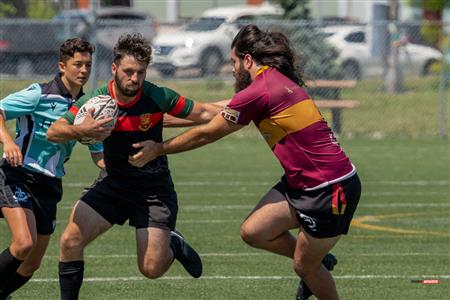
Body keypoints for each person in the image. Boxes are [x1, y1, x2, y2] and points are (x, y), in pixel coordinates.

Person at [141, 24, 362, 300]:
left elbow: (208, 133)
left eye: (234, 62)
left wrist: (158, 149)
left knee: (304, 266)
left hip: (330, 189)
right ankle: (318, 263)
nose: (232, 69)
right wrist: (140, 122)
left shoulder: (261, 91)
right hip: (303, 183)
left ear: (247, 60)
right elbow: (211, 112)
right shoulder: (268, 84)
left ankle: (314, 266)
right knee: (254, 231)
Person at [46, 33, 224, 300]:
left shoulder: (157, 96)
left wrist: (246, 107)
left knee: (151, 269)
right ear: (114, 68)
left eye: (141, 72)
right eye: (128, 71)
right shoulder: (97, 100)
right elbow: (54, 131)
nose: (135, 78)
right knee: (70, 241)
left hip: (153, 188)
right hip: (114, 182)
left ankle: (173, 242)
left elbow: (205, 113)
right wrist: (80, 129)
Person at [0, 38, 103, 299]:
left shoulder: (88, 107)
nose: (83, 70)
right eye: (77, 64)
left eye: (88, 65)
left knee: (32, 263)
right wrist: (9, 141)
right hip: (17, 175)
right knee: (24, 242)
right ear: (61, 65)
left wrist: (117, 169)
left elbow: (98, 154)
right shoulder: (40, 93)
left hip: (50, 185)